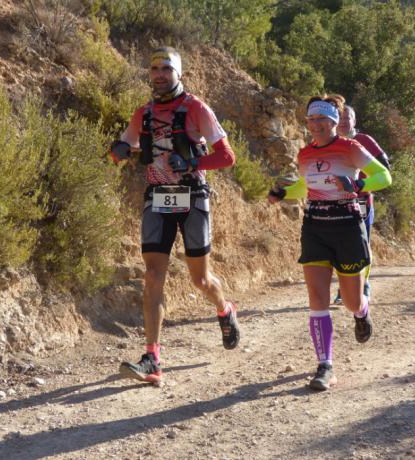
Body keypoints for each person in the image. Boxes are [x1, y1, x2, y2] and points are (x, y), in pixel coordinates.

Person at [110, 46, 240, 383]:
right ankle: (152, 357)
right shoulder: (144, 113)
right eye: (154, 68)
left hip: (193, 196)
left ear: (178, 73)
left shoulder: (196, 108)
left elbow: (226, 157)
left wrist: (192, 162)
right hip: (157, 197)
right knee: (153, 275)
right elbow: (123, 148)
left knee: (200, 280)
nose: (159, 74)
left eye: (166, 68)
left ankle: (224, 310)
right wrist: (118, 150)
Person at [268, 96, 391, 391]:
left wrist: (358, 185)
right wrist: (283, 194)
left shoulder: (350, 148)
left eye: (323, 120)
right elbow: (305, 187)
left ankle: (361, 312)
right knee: (317, 298)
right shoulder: (304, 154)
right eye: (312, 120)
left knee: (350, 300)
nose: (317, 125)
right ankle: (325, 365)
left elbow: (384, 176)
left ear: (335, 122)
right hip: (315, 228)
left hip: (347, 226)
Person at [333, 101, 391, 304]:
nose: (342, 122)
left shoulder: (363, 139)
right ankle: (344, 288)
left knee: (361, 243)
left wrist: (360, 183)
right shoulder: (329, 142)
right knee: (340, 245)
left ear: (354, 120)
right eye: (339, 118)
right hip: (336, 201)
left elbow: (384, 164)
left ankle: (363, 284)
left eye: (347, 118)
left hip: (362, 200)